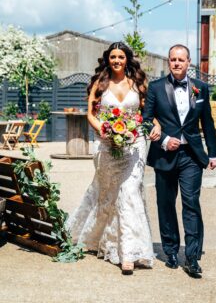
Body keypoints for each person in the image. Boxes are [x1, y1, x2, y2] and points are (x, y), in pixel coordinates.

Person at [67, 42, 160, 275]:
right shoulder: (100, 83)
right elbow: (91, 113)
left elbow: (147, 112)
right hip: (107, 144)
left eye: (120, 56)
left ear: (127, 59)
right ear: (107, 59)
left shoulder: (138, 83)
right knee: (107, 193)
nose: (117, 60)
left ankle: (128, 253)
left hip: (135, 143)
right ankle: (101, 239)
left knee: (129, 191)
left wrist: (155, 125)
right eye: (113, 57)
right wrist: (105, 130)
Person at [142, 44, 216, 277]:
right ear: (169, 62)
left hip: (192, 156)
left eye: (181, 60)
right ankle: (171, 250)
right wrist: (164, 140)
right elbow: (145, 120)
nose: (176, 63)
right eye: (172, 59)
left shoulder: (201, 88)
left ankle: (193, 257)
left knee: (191, 204)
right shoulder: (155, 87)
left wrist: (212, 153)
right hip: (164, 155)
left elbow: (207, 121)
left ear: (189, 63)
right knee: (165, 204)